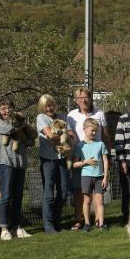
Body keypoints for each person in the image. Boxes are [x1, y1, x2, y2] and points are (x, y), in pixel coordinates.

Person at [67, 87, 111, 230]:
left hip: (97, 158)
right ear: (76, 100)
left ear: (90, 98)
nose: (83, 100)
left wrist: (108, 155)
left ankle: (99, 220)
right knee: (79, 191)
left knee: (97, 194)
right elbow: (70, 136)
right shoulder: (71, 115)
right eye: (80, 98)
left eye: (86, 97)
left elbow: (105, 135)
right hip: (80, 158)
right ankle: (79, 219)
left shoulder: (99, 113)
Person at [0, 98, 34, 240]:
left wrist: (25, 133)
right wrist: (23, 125)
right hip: (5, 162)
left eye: (9, 107)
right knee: (5, 195)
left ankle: (18, 227)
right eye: (3, 108)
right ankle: (4, 228)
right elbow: (10, 129)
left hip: (20, 162)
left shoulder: (21, 123)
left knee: (18, 196)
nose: (6, 110)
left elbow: (31, 140)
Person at [36, 94, 74, 234]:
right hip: (48, 159)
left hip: (63, 158)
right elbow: (50, 136)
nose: (49, 108)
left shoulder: (63, 117)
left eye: (51, 105)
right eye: (46, 106)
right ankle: (49, 225)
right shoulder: (41, 118)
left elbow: (72, 135)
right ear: (42, 107)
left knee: (63, 191)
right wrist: (64, 137)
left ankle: (57, 221)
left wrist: (70, 145)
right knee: (48, 192)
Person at [72, 118, 109, 232]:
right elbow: (74, 164)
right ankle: (87, 223)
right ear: (84, 129)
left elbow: (105, 161)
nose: (94, 133)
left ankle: (101, 224)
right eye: (92, 130)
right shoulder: (80, 146)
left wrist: (105, 177)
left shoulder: (100, 144)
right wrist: (86, 162)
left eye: (96, 131)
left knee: (100, 201)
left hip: (99, 177)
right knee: (87, 201)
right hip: (86, 176)